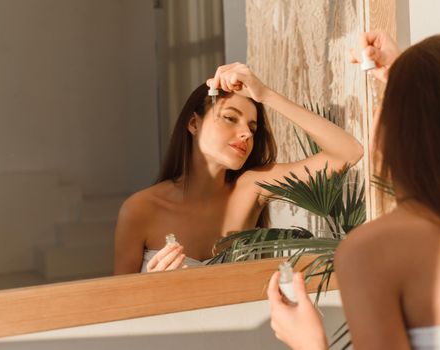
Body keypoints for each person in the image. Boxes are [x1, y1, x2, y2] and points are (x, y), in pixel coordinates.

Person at [268, 31, 440, 349]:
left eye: (383, 104)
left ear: (398, 125)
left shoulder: (373, 252)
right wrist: (407, 77)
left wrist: (308, 343)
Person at [113, 64, 363, 274]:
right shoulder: (140, 210)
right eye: (231, 118)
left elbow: (348, 152)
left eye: (252, 128)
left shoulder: (252, 187)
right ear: (193, 123)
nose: (245, 133)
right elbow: (115, 309)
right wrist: (152, 287)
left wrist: (265, 94)